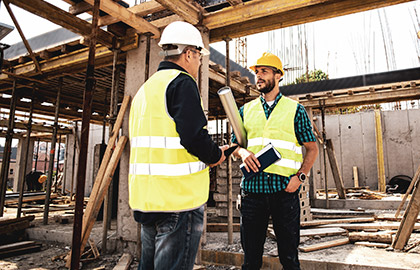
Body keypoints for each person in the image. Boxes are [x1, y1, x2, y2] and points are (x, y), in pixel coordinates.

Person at [128, 21, 227, 270]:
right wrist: (216, 155)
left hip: (147, 201)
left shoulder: (145, 90)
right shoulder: (181, 83)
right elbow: (193, 137)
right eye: (199, 57)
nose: (200, 63)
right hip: (177, 203)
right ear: (189, 53)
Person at [232, 52, 319, 270]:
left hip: (285, 193)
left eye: (264, 71)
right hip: (252, 192)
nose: (258, 76)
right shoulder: (245, 111)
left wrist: (300, 177)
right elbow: (234, 145)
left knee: (289, 259)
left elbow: (312, 148)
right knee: (251, 260)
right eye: (256, 72)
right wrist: (242, 153)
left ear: (278, 76)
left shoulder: (295, 110)